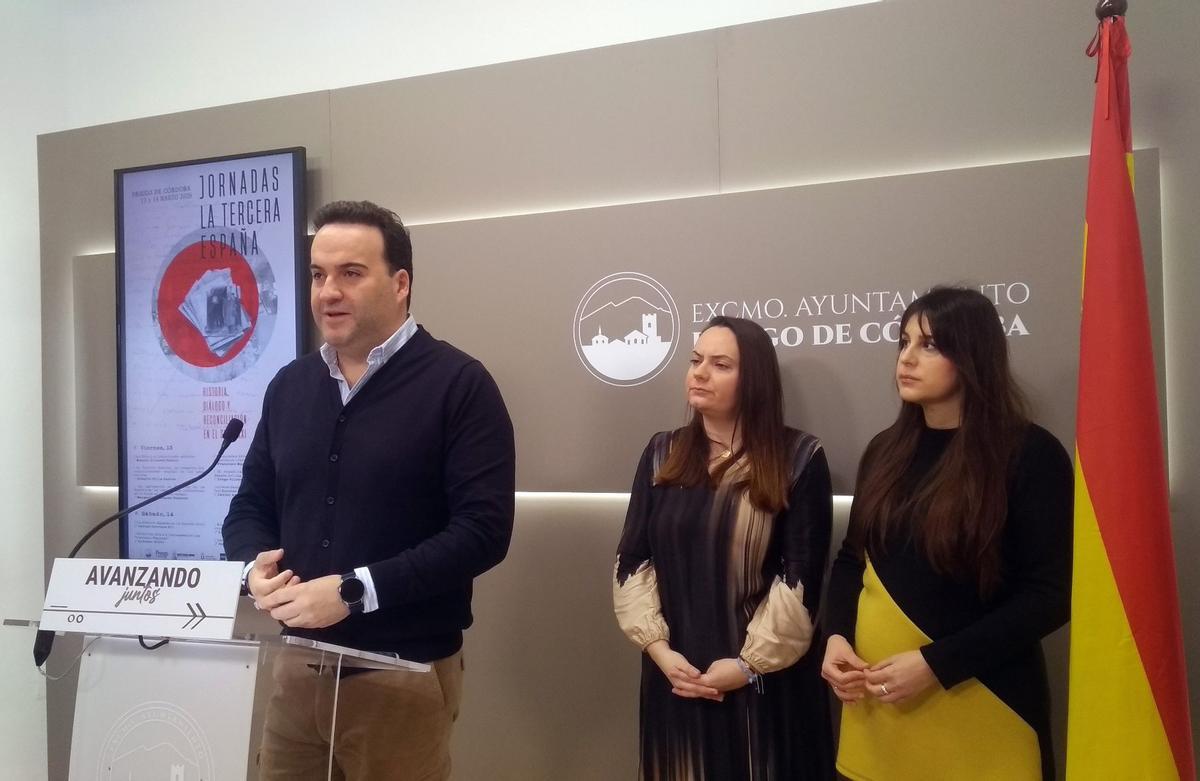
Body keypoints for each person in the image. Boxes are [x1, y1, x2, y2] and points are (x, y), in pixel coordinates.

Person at [222, 199, 516, 780]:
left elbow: (482, 533)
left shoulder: (460, 385)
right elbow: (249, 505)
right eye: (318, 275)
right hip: (296, 670)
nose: (328, 292)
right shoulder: (290, 386)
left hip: (399, 676)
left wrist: (355, 592)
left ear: (401, 283)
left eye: (351, 274)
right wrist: (253, 567)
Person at [821, 286, 1073, 781]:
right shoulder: (883, 451)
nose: (907, 358)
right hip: (877, 708)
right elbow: (853, 560)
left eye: (930, 345)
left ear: (973, 355)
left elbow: (1051, 594)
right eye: (904, 342)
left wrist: (937, 664)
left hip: (983, 702)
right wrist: (836, 637)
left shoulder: (1029, 454)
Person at [613, 315, 835, 780]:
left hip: (765, 687)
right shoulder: (662, 452)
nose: (699, 373)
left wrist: (747, 666)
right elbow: (632, 560)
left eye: (720, 365)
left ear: (753, 379)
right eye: (696, 360)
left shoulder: (798, 457)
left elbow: (801, 578)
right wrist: (660, 652)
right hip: (675, 676)